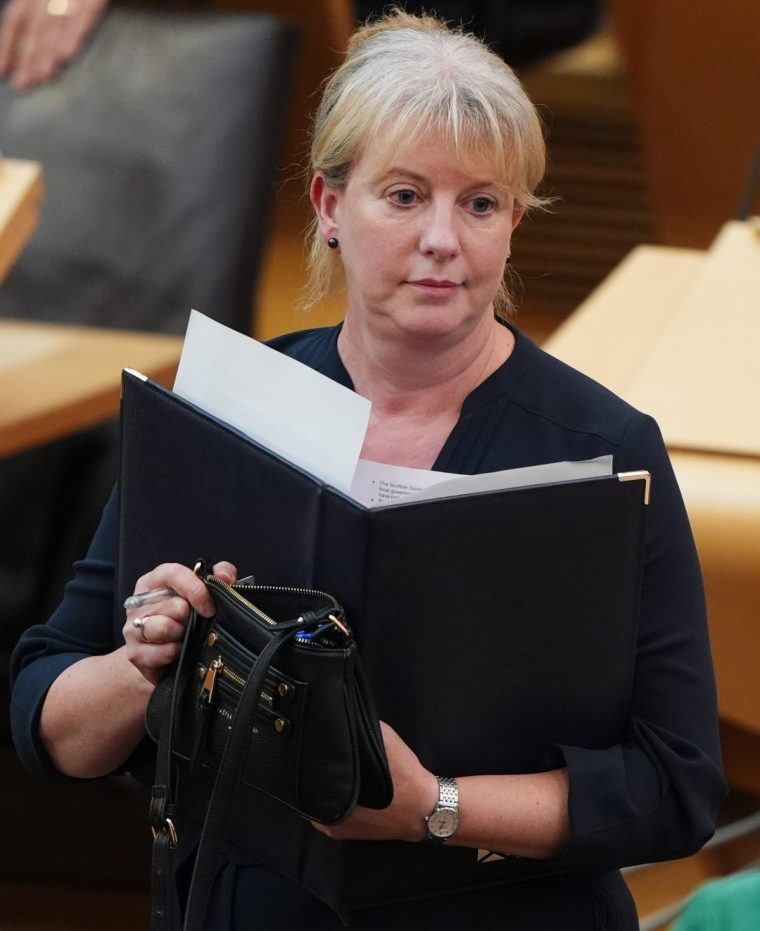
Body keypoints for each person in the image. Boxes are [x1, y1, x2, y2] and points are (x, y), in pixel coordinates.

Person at [10, 8, 726, 929]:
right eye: (402, 196)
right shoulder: (226, 404)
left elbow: (674, 783)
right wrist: (140, 665)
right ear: (327, 207)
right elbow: (49, 718)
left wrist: (435, 804)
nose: (443, 239)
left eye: (480, 202)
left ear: (513, 222)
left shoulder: (604, 447)